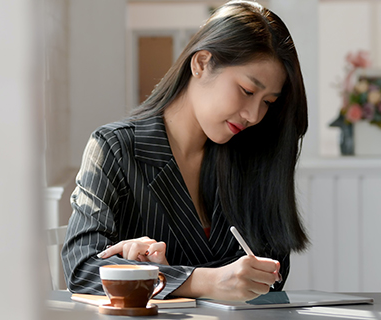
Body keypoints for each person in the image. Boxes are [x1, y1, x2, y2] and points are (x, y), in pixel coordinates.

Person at [61, 0, 309, 301]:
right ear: (201, 63)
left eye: (268, 102)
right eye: (247, 91)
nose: (254, 115)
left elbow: (271, 276)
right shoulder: (115, 149)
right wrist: (199, 281)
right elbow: (83, 268)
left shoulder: (253, 153)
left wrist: (168, 274)